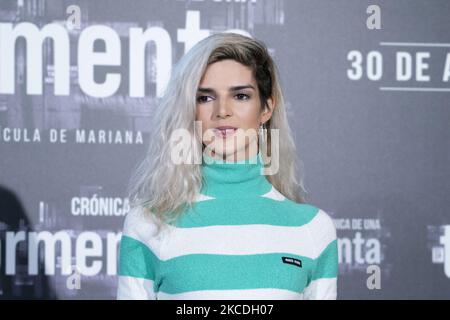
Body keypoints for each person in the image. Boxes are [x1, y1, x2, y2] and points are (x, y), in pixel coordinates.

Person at [116, 32, 338, 300]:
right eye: (205, 98)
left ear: (266, 108)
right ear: (190, 108)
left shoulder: (312, 229)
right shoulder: (148, 224)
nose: (222, 111)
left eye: (241, 96)